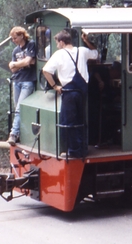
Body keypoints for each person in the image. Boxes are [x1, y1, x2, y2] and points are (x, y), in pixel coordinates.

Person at [42, 30, 98, 158]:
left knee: (68, 122)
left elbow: (46, 70)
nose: (57, 46)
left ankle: (73, 151)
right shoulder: (82, 51)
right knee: (80, 120)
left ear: (61, 42)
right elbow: (96, 53)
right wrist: (86, 41)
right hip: (82, 92)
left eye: (57, 43)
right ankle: (82, 149)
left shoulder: (59, 54)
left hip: (68, 92)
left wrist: (55, 86)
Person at [7, 26, 37, 146]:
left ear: (21, 35)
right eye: (12, 38)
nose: (13, 40)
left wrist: (16, 64)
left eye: (15, 38)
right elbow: (13, 70)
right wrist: (20, 64)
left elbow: (28, 61)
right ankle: (20, 133)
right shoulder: (15, 51)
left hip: (28, 80)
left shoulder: (31, 45)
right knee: (17, 110)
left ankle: (13, 134)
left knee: (20, 108)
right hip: (17, 80)